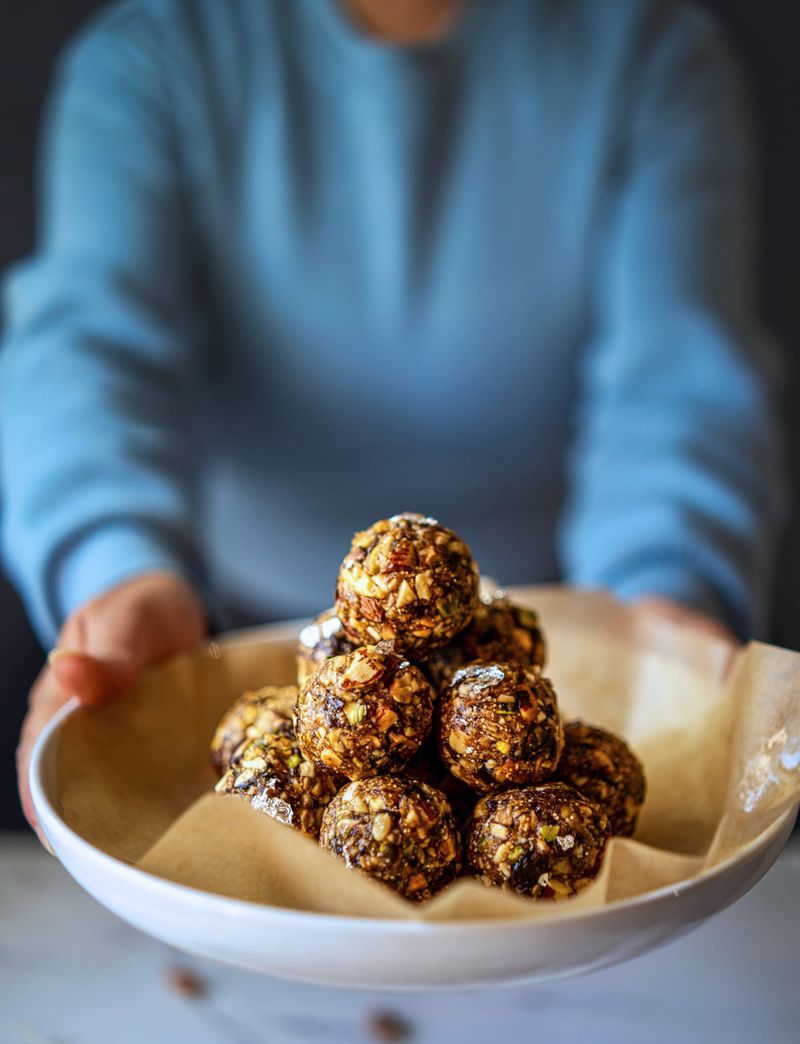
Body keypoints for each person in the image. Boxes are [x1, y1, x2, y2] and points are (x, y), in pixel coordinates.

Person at [0, 0, 782, 842]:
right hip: (217, 630)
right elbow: (88, 345)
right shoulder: (156, 50)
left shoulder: (648, 48)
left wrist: (668, 592)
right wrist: (117, 563)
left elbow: (677, 373)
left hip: (581, 631)